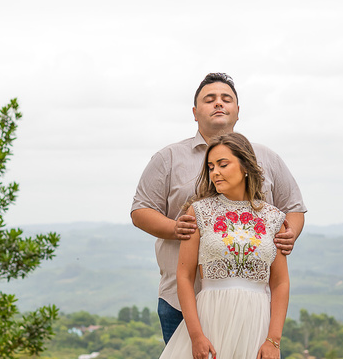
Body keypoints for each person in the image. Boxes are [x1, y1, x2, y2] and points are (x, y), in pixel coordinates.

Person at [131, 73, 306, 343]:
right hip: (180, 299)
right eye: (209, 99)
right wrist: (176, 228)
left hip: (250, 300)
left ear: (237, 111)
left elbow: (293, 207)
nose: (218, 104)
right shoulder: (168, 158)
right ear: (195, 112)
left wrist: (288, 234)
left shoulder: (267, 157)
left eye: (226, 99)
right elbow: (140, 211)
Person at [126, 133, 288, 359]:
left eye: (223, 164)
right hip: (212, 319)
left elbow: (280, 283)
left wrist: (273, 341)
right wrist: (196, 336)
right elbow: (184, 277)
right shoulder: (199, 212)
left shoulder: (274, 218)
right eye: (211, 166)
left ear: (246, 166)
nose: (215, 172)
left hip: (257, 321)